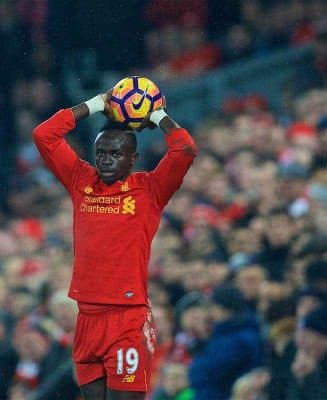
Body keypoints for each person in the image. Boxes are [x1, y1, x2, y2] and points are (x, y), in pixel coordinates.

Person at [33, 90, 196, 399]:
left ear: (133, 159)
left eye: (116, 154)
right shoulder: (82, 181)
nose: (106, 160)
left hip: (126, 319)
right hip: (87, 318)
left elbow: (185, 149)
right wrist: (96, 104)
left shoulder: (150, 190)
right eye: (101, 153)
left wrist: (157, 114)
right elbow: (44, 135)